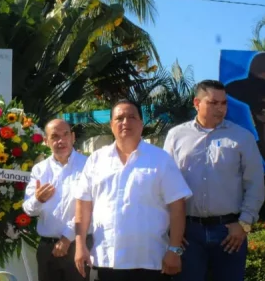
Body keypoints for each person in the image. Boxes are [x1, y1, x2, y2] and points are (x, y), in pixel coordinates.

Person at [74, 100, 192, 281]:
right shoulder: (96, 159)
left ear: (141, 123)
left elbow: (177, 206)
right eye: (119, 118)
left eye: (131, 117)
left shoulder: (160, 159)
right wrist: (80, 244)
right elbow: (83, 205)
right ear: (111, 124)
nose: (125, 122)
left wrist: (174, 249)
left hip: (150, 262)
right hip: (106, 260)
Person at [164, 80, 265, 281]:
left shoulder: (243, 138)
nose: (220, 109)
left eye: (224, 103)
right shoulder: (176, 136)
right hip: (188, 234)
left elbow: (255, 184)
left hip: (229, 233)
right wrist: (171, 228)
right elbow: (165, 185)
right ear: (196, 103)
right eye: (213, 103)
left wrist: (244, 224)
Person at [23, 119, 90, 281]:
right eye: (54, 136)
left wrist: (67, 238)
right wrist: (38, 199)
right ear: (46, 141)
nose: (61, 141)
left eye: (65, 134)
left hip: (77, 247)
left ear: (73, 137)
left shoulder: (88, 165)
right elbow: (28, 209)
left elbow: (90, 208)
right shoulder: (40, 169)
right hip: (47, 249)